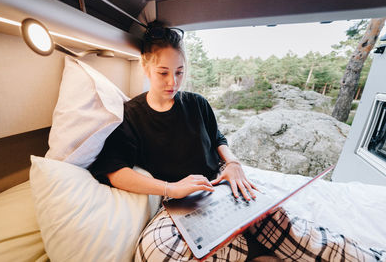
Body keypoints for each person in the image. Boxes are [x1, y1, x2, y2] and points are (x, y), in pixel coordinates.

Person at [88, 21, 384, 262]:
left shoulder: (196, 103)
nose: (172, 83)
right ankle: (253, 252)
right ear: (145, 66)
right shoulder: (131, 115)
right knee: (153, 252)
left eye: (179, 73)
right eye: (163, 73)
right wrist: (172, 188)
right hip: (179, 201)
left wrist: (232, 163)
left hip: (221, 187)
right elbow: (116, 172)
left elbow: (217, 137)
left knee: (289, 228)